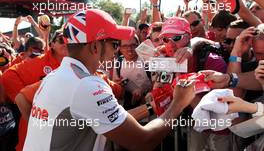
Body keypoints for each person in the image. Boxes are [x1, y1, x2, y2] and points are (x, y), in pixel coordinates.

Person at [23, 9, 195, 151]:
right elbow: (143, 140)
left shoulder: (56, 76)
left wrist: (151, 106)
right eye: (114, 44)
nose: (117, 50)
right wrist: (178, 103)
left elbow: (111, 119)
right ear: (95, 46)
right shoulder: (86, 85)